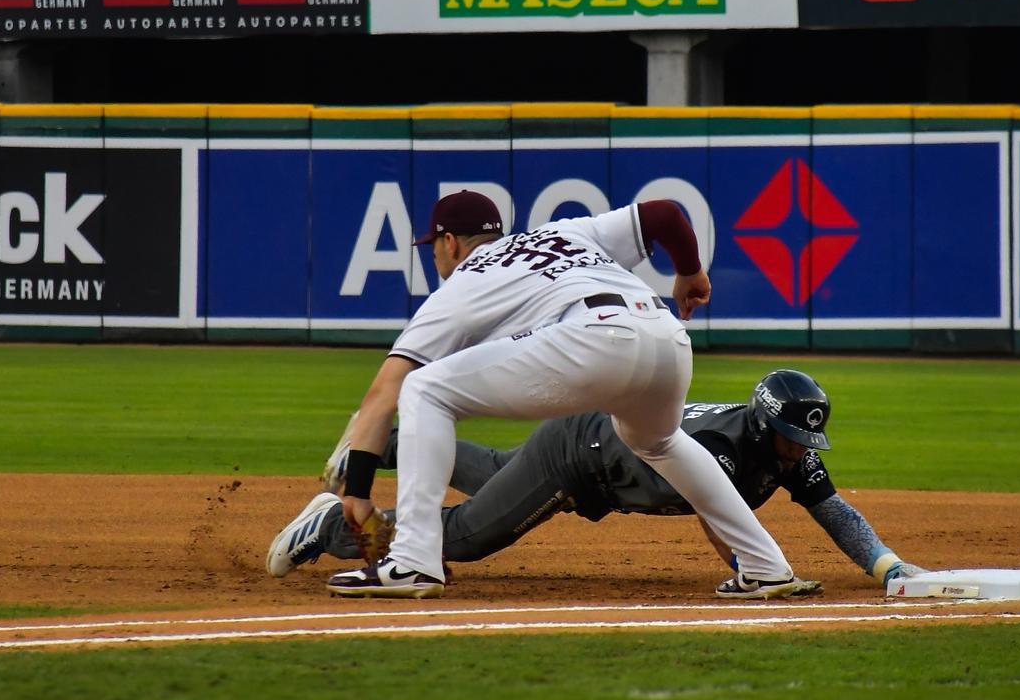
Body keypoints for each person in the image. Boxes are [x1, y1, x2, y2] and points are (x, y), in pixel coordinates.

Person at [323, 191, 806, 600]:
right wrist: (690, 273)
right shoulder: (564, 233)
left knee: (424, 387)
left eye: (432, 247)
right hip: (667, 340)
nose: (434, 257)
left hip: (596, 339)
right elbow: (665, 213)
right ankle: (766, 566)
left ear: (449, 243)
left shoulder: (463, 283)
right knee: (659, 442)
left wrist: (358, 492)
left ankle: (412, 560)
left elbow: (384, 390)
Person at [270, 371, 928, 595]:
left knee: (497, 472)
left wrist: (888, 567)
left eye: (806, 442)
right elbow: (718, 515)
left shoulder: (785, 451)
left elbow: (834, 510)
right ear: (763, 426)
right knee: (464, 538)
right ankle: (332, 526)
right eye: (791, 439)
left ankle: (377, 443)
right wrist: (755, 571)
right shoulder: (727, 446)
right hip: (579, 460)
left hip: (587, 439)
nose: (800, 452)